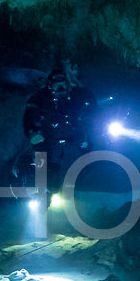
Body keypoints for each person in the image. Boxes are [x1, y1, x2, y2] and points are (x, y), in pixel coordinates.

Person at [19, 62, 97, 196]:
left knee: (88, 149)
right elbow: (28, 116)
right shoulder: (40, 97)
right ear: (50, 84)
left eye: (63, 82)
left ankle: (84, 183)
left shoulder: (78, 95)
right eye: (56, 82)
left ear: (68, 83)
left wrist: (93, 127)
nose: (60, 86)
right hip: (48, 135)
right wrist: (32, 133)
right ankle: (45, 188)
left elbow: (93, 109)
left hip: (74, 132)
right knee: (41, 153)